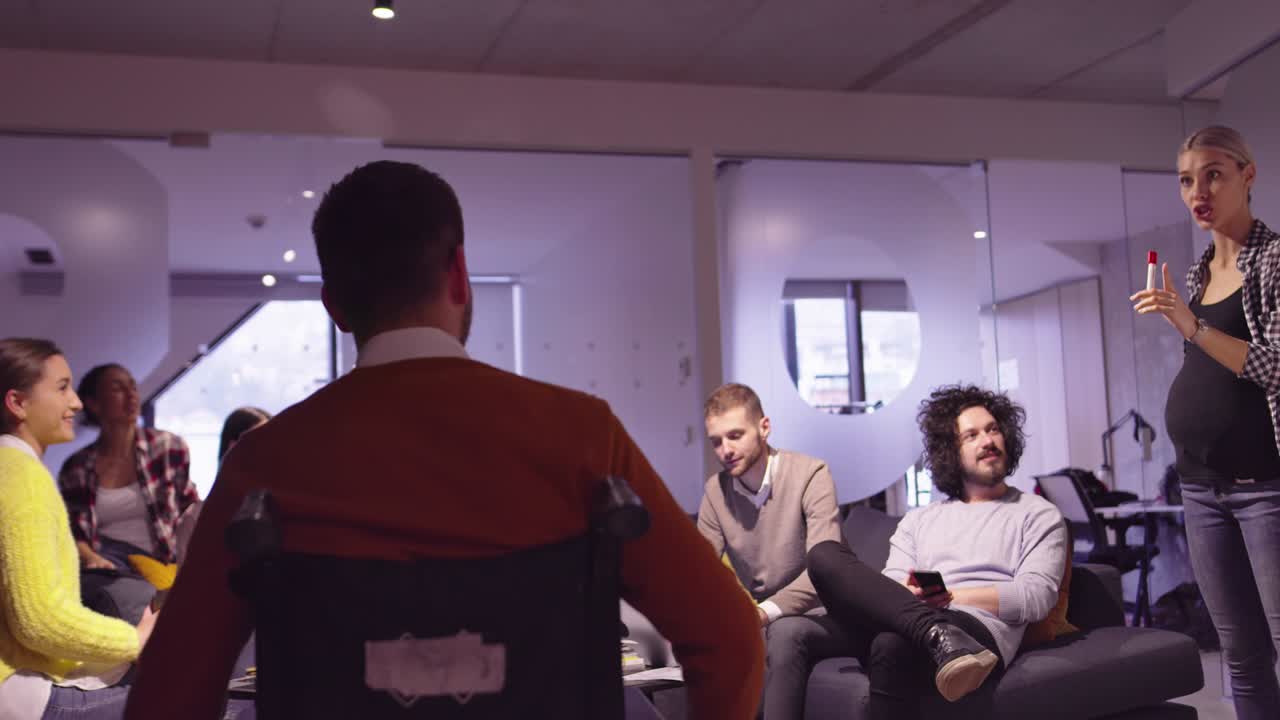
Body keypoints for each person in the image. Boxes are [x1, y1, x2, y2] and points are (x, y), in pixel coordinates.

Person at [124, 160, 764, 720]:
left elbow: (167, 697)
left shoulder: (262, 465)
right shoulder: (584, 437)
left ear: (335, 307)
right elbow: (730, 636)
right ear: (458, 273)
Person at [1131, 125, 1280, 720]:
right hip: (1200, 487)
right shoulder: (1195, 273)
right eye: (1188, 179)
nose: (1200, 190)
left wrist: (1190, 325)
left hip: (1264, 488)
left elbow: (1274, 365)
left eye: (1215, 173)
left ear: (1248, 175)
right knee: (1239, 655)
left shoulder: (1273, 261)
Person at [807, 385, 1066, 720]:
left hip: (979, 631)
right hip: (918, 617)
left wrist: (950, 596)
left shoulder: (1038, 514)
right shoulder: (920, 519)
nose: (988, 441)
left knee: (890, 642)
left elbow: (1036, 596)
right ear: (950, 451)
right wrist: (913, 597)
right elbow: (893, 583)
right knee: (824, 554)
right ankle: (934, 632)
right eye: (971, 435)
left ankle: (940, 634)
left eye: (993, 430)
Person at [0, 337, 157, 720]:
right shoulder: (20, 474)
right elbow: (41, 619)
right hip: (21, 697)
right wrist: (134, 640)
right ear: (18, 403)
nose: (77, 403)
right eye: (62, 387)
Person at [697, 382, 845, 720]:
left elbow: (828, 569)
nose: (725, 450)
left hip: (825, 612)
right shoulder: (715, 492)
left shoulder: (811, 474)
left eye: (735, 435)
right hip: (761, 619)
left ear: (764, 427)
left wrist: (762, 613)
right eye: (716, 442)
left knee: (781, 632)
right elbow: (702, 573)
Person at [58, 364, 198, 571]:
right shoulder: (77, 467)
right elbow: (74, 536)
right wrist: (93, 560)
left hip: (164, 566)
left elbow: (190, 511)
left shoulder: (168, 447)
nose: (131, 395)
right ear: (94, 404)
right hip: (108, 570)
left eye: (132, 386)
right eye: (117, 389)